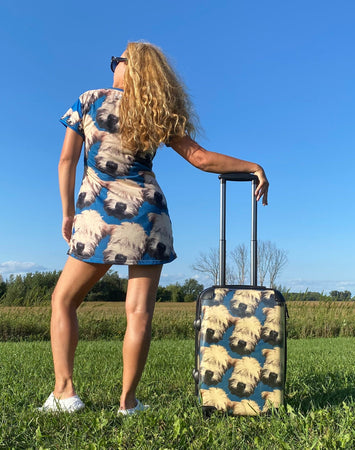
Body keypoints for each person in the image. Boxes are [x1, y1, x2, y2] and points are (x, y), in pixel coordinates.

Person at [38, 41, 269, 415]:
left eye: (117, 60)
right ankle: (127, 403)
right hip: (149, 217)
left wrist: (68, 214)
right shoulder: (156, 110)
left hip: (98, 216)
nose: (113, 64)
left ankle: (65, 393)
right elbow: (201, 159)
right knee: (139, 313)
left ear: (132, 67)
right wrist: (252, 165)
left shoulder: (88, 100)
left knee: (64, 300)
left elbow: (67, 161)